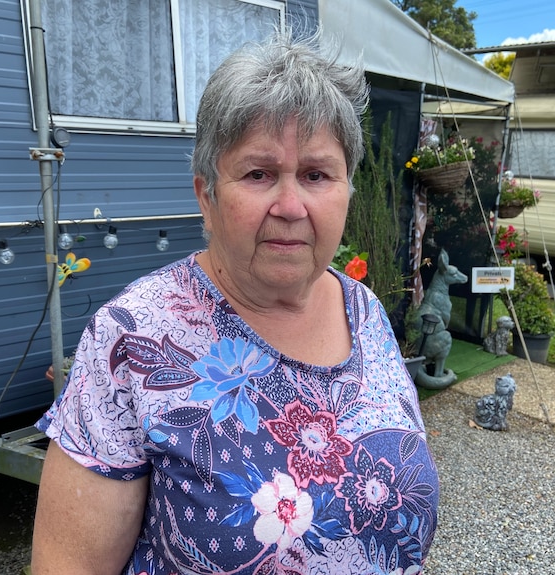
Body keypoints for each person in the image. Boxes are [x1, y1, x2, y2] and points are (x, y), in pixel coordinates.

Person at [31, 28, 438, 575]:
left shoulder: (362, 309)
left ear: (347, 190)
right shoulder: (133, 337)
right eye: (259, 174)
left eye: (317, 174)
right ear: (207, 194)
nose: (291, 204)